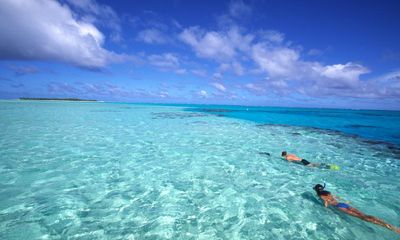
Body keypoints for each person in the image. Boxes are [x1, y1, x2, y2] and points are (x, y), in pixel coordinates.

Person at [313, 184, 400, 234]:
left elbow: (326, 203)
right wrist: (347, 202)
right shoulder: (329, 192)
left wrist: (327, 210)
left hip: (339, 207)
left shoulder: (321, 195)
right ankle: (390, 226)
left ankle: (390, 228)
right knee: (364, 215)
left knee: (362, 217)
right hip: (343, 204)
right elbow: (338, 197)